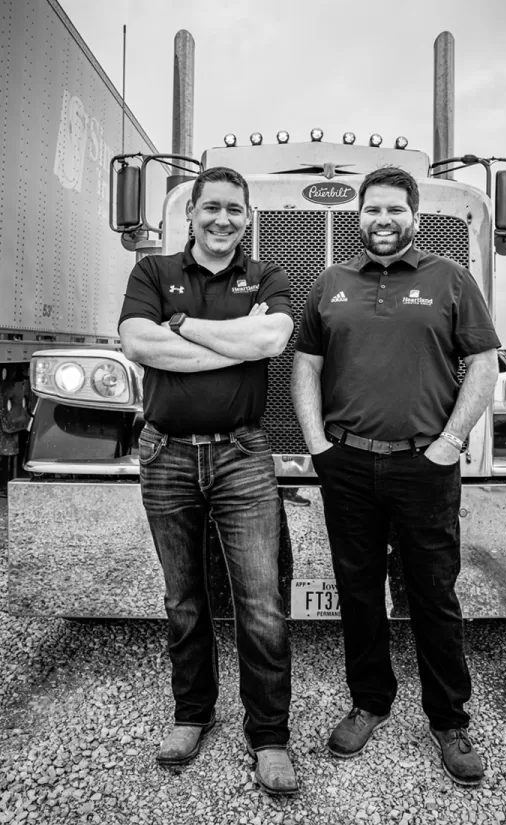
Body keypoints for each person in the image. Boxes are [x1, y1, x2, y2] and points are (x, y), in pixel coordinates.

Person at [291, 166, 500, 787]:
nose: (383, 221)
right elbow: (306, 365)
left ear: (414, 215)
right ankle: (370, 701)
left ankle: (449, 721)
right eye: (373, 210)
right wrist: (318, 447)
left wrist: (451, 443)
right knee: (358, 591)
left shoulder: (450, 280)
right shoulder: (331, 283)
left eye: (395, 210)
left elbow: (484, 364)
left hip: (424, 464)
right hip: (348, 463)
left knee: (433, 593)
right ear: (360, 215)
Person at [118, 166, 297, 795]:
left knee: (261, 602)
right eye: (211, 208)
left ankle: (270, 736)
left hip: (243, 455)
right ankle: (192, 714)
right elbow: (139, 342)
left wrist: (184, 327)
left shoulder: (269, 275)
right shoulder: (152, 272)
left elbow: (273, 338)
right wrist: (234, 343)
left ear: (248, 218)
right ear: (191, 213)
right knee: (183, 598)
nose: (223, 219)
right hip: (165, 455)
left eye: (234, 210)